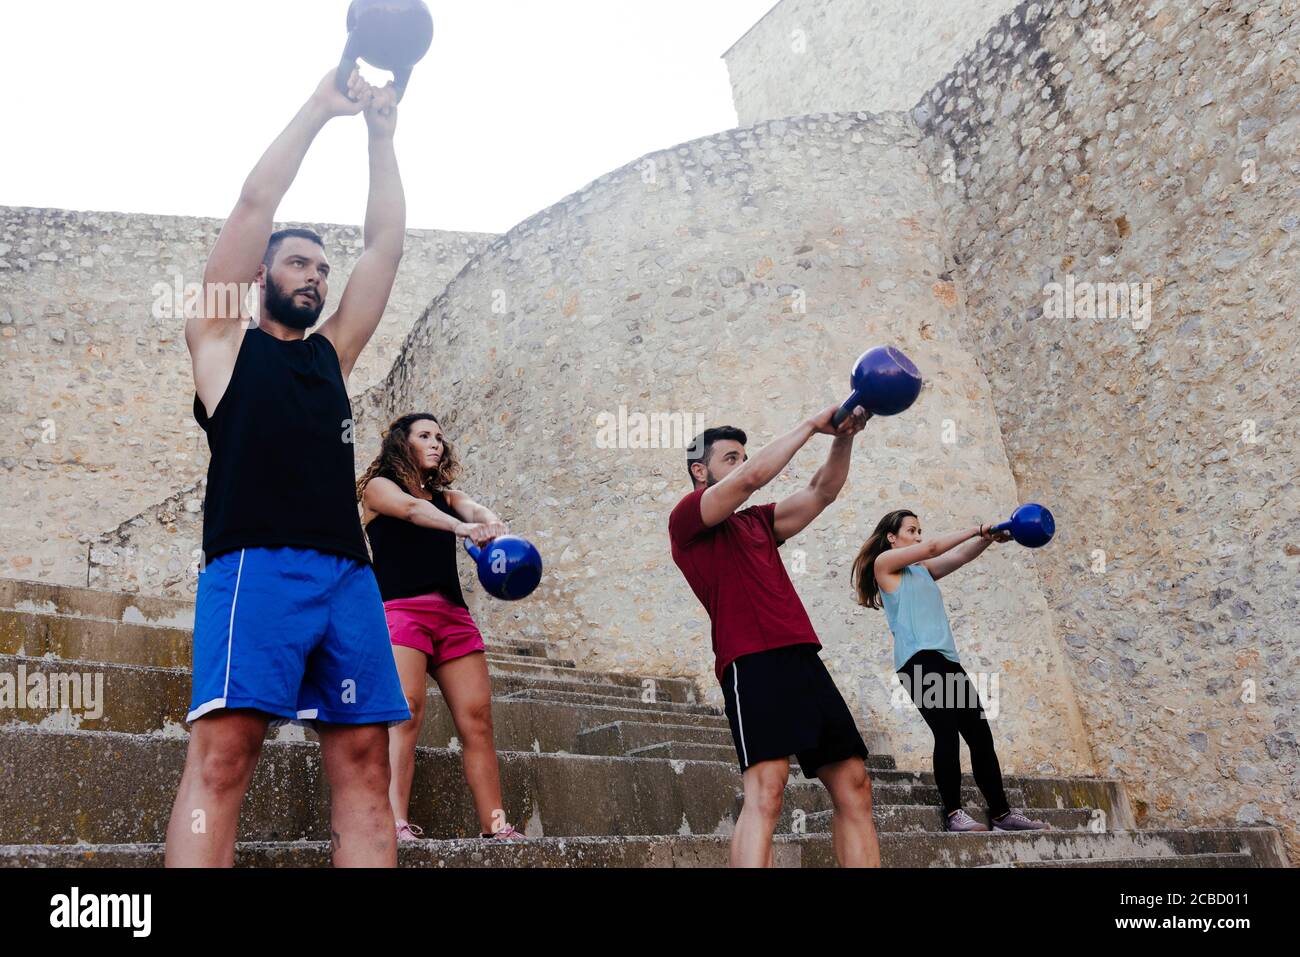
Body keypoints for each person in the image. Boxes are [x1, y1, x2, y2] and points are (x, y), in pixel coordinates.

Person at [166, 68, 410, 867]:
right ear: (264, 275)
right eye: (298, 263)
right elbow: (252, 207)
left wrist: (380, 134)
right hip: (253, 569)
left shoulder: (331, 356)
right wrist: (320, 109)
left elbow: (385, 246)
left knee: (366, 762)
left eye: (321, 270)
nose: (314, 275)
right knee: (224, 759)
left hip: (347, 577)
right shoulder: (220, 345)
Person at [668, 408, 882, 867]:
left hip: (801, 655)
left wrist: (842, 437)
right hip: (750, 661)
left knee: (854, 784)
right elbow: (749, 482)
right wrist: (807, 423)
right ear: (699, 470)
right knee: (767, 790)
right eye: (732, 458)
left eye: (745, 456)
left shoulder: (759, 523)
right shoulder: (687, 520)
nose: (743, 465)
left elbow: (822, 491)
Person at [357, 413, 525, 842]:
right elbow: (412, 510)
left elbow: (475, 509)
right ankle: (394, 822)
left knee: (478, 719)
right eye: (424, 436)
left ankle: (495, 826)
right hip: (400, 611)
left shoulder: (448, 498)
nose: (436, 443)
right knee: (406, 712)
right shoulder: (378, 489)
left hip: (452, 615)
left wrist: (491, 525)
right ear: (401, 443)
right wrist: (462, 528)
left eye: (439, 437)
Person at [851, 510, 1049, 832]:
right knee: (946, 734)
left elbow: (959, 558)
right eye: (911, 530)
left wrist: (986, 539)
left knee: (980, 736)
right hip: (918, 661)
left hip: (946, 659)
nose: (918, 536)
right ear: (891, 537)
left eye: (920, 530)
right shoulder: (884, 566)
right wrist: (977, 528)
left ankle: (1001, 814)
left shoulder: (922, 571)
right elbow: (932, 548)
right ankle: (954, 813)